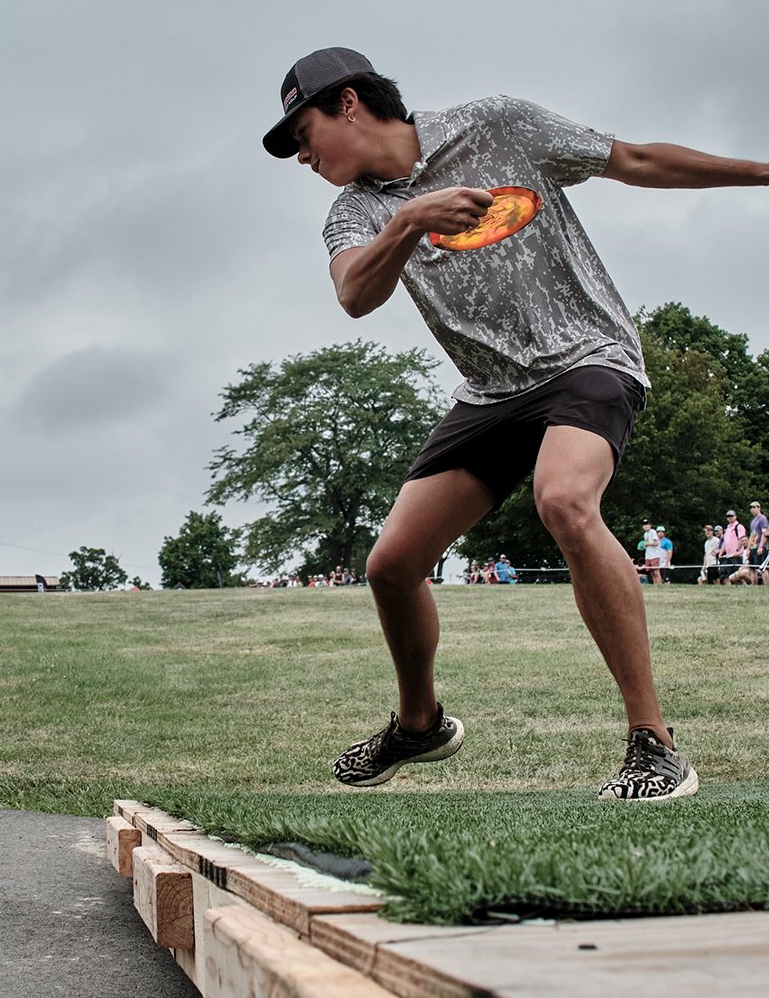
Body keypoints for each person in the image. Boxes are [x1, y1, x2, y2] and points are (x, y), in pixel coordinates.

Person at [262, 47, 769, 800]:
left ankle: (654, 743)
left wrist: (762, 172)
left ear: (346, 102)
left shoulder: (497, 124)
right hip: (491, 393)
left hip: (586, 357)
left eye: (302, 135)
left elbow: (632, 159)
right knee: (391, 565)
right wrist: (411, 220)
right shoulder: (354, 212)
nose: (302, 157)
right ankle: (418, 725)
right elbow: (354, 295)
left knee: (563, 500)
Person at [719, 510, 747, 582]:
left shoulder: (739, 527)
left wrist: (737, 551)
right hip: (729, 556)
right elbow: (725, 542)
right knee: (728, 576)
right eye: (728, 516)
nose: (730, 517)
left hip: (737, 556)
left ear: (735, 517)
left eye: (731, 516)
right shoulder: (727, 529)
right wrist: (721, 552)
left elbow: (741, 539)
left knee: (738, 576)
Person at [748, 501, 767, 568]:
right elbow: (751, 536)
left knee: (760, 569)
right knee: (752, 569)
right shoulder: (752, 521)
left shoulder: (762, 518)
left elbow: (764, 533)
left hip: (759, 547)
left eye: (754, 507)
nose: (752, 509)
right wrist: (748, 549)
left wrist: (761, 547)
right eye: (751, 508)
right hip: (752, 547)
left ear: (759, 508)